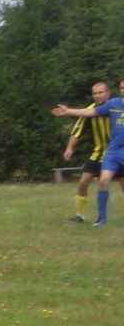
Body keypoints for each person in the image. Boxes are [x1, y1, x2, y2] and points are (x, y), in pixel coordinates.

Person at [53, 78, 124, 227]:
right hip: (102, 153)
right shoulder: (97, 109)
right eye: (94, 93)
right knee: (86, 181)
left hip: (118, 153)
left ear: (108, 93)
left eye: (100, 92)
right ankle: (83, 216)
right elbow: (79, 129)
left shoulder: (114, 106)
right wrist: (70, 147)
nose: (97, 95)